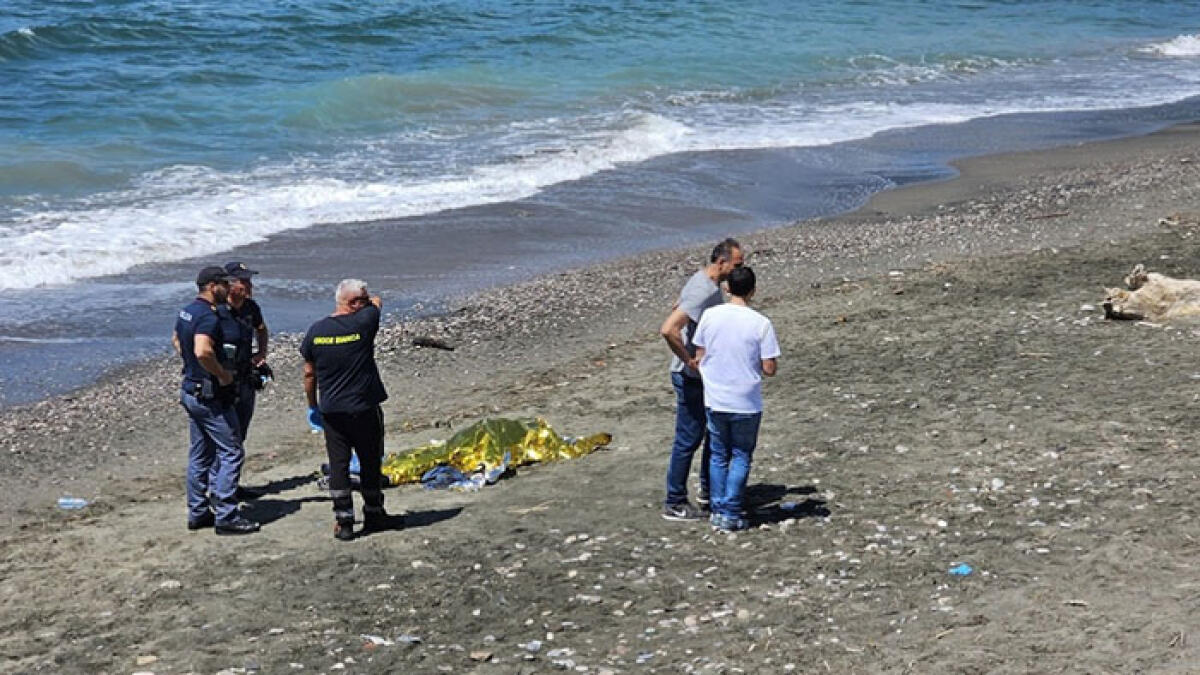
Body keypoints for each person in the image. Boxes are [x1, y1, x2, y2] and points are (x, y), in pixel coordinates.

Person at [658, 237, 744, 521]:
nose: (740, 269)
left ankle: (708, 489)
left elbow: (678, 307)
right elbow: (669, 328)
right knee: (688, 438)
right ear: (722, 263)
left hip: (700, 374)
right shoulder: (703, 289)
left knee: (711, 432)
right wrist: (689, 359)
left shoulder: (707, 286)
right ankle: (674, 501)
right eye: (737, 264)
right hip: (689, 376)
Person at [300, 279, 390, 541]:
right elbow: (377, 302)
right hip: (362, 407)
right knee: (370, 460)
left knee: (338, 465)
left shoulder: (316, 331)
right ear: (353, 303)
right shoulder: (364, 323)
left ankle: (345, 520)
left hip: (333, 410)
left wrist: (312, 404)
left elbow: (309, 372)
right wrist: (368, 300)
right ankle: (374, 513)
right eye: (361, 299)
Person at [692, 266, 780, 532]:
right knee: (740, 455)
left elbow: (699, 352)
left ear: (727, 288)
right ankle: (730, 510)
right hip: (746, 400)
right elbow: (769, 368)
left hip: (716, 397)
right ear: (753, 291)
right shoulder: (760, 323)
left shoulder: (710, 316)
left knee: (718, 454)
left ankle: (719, 508)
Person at [174, 266, 260, 535]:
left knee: (200, 453)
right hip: (209, 395)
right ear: (213, 286)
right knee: (232, 450)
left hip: (191, 390)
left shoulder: (187, 311)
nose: (229, 288)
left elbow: (178, 340)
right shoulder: (208, 317)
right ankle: (226, 514)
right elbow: (202, 350)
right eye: (224, 284)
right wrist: (221, 374)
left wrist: (192, 366)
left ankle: (198, 511)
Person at [222, 261, 269, 441]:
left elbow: (262, 329)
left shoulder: (251, 307)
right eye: (244, 282)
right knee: (226, 434)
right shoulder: (217, 311)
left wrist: (261, 353)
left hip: (246, 377)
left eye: (249, 281)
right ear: (229, 284)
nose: (250, 286)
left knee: (241, 431)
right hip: (225, 379)